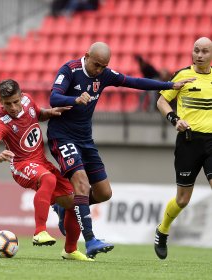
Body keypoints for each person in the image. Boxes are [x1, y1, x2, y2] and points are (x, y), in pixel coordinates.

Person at [47, 42, 195, 258]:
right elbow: (54, 98)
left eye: (103, 66)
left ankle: (65, 205)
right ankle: (90, 241)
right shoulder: (69, 70)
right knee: (81, 181)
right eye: (97, 65)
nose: (99, 70)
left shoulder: (104, 74)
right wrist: (75, 99)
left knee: (104, 193)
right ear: (87, 56)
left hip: (85, 139)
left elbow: (133, 81)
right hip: (62, 137)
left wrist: (168, 85)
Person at [0, 79, 92, 261]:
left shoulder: (28, 100)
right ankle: (40, 231)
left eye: (16, 101)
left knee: (75, 202)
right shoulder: (0, 123)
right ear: (0, 102)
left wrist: (51, 113)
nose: (13, 107)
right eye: (7, 103)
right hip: (22, 165)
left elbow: (38, 114)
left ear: (21, 95)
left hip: (42, 161)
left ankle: (70, 250)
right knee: (48, 179)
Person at [154, 37, 212, 260]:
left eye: (205, 51)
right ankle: (162, 230)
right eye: (196, 50)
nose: (199, 55)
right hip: (189, 141)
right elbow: (161, 101)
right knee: (182, 200)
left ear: (210, 54)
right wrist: (174, 119)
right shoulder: (182, 75)